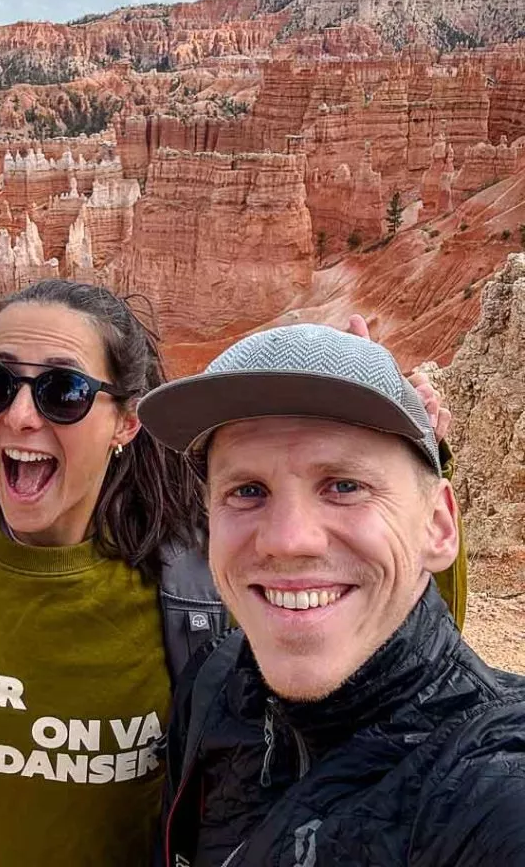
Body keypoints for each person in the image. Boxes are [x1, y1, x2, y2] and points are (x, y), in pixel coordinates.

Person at [0, 208, 460, 867]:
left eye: (62, 391)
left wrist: (412, 473)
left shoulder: (212, 574)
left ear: (126, 422)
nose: (23, 415)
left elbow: (404, 659)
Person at [138, 324, 525, 867]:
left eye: (345, 486)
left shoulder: (494, 790)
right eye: (247, 491)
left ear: (438, 526)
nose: (287, 540)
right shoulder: (212, 684)